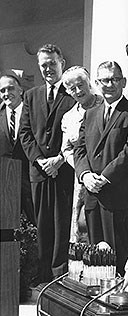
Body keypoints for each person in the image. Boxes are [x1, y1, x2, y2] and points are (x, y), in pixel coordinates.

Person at [74, 61, 128, 274]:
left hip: (119, 199)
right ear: (97, 83)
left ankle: (117, 301)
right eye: (104, 80)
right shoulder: (90, 114)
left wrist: (103, 178)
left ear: (123, 82)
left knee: (118, 259)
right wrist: (86, 175)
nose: (109, 84)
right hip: (93, 197)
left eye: (114, 79)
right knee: (94, 259)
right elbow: (79, 150)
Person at [19, 44, 76, 284]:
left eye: (52, 63)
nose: (48, 69)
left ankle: (59, 276)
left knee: (63, 223)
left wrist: (60, 159)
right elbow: (25, 133)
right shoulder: (31, 95)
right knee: (42, 225)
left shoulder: (73, 92)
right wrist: (40, 160)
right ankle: (43, 276)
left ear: (61, 61)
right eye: (43, 65)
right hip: (40, 172)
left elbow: (79, 133)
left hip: (63, 170)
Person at [61, 66, 104, 243]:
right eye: (72, 88)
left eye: (81, 85)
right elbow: (66, 149)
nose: (78, 91)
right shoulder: (69, 117)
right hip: (83, 180)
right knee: (84, 230)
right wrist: (83, 171)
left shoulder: (106, 105)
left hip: (107, 176)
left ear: (89, 83)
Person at [0, 75, 35, 225]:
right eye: (2, 90)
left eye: (10, 88)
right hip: (5, 179)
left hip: (30, 177)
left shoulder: (33, 113)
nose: (6, 93)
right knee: (7, 229)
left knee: (36, 224)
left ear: (20, 90)